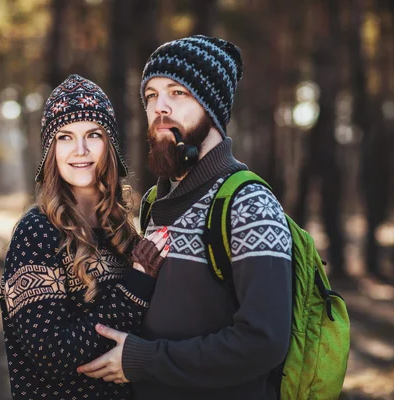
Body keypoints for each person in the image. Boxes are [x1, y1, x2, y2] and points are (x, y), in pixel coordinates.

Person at [77, 35, 293, 400]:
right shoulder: (154, 202)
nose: (160, 107)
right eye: (151, 95)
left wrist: (144, 360)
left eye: (178, 93)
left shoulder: (248, 203)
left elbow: (263, 342)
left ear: (212, 105)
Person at [0, 74, 170, 400]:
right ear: (51, 150)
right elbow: (51, 354)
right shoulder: (36, 232)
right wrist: (135, 287)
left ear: (110, 145)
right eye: (65, 137)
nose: (80, 150)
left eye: (93, 134)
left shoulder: (121, 233)